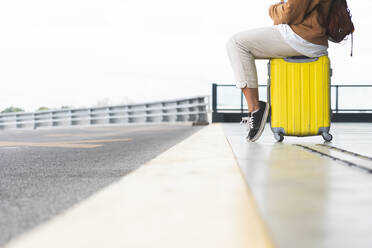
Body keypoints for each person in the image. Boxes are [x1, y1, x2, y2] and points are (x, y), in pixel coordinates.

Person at [226, 0, 333, 142]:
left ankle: (255, 109)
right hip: (313, 37)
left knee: (236, 43)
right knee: (239, 43)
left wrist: (274, 8)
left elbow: (289, 13)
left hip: (302, 37)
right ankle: (256, 110)